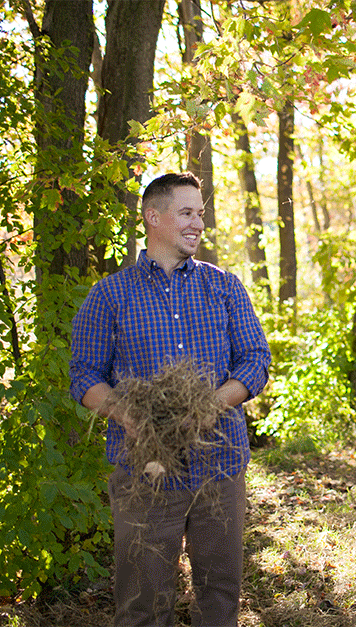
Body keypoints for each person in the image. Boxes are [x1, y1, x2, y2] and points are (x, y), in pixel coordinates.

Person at [69, 172, 271, 627]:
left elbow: (256, 359)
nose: (198, 223)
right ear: (153, 217)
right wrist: (129, 415)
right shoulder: (109, 295)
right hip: (145, 471)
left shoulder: (224, 287)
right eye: (186, 213)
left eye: (200, 213)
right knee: (142, 602)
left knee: (219, 596)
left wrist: (211, 405)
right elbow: (84, 375)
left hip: (219, 465)